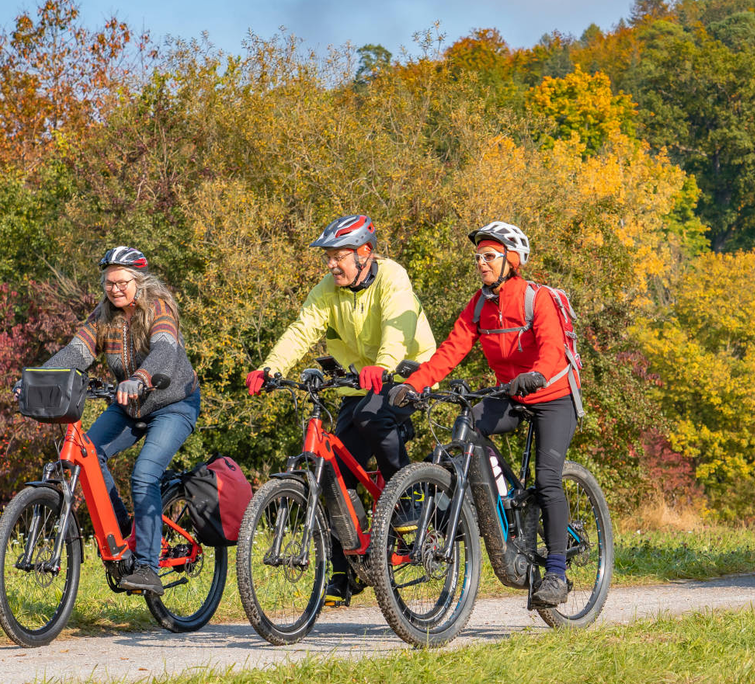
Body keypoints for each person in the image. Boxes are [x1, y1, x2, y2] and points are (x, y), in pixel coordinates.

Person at [245, 214, 436, 607]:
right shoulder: (327, 290)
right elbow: (302, 330)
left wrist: (383, 366)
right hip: (359, 380)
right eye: (328, 258)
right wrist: (270, 368)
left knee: (371, 417)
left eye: (339, 256)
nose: (332, 265)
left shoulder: (393, 279)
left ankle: (407, 504)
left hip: (407, 371)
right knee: (330, 470)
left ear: (365, 253)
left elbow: (398, 332)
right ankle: (343, 571)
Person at [390, 221, 579, 607]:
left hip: (553, 395)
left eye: (489, 256)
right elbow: (449, 351)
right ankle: (496, 505)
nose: (481, 263)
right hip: (511, 394)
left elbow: (553, 349)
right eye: (478, 257)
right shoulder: (479, 305)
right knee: (466, 428)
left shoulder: (534, 299)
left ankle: (557, 573)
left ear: (512, 260)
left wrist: (537, 375)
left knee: (546, 479)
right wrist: (416, 385)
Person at [39, 246, 201, 596]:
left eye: (122, 282)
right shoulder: (103, 315)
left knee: (144, 474)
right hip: (129, 406)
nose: (115, 289)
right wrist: (37, 377)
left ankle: (147, 567)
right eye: (109, 283)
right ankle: (127, 528)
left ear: (138, 282)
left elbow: (165, 349)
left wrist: (140, 378)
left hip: (174, 404)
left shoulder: (159, 307)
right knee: (88, 453)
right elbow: (76, 353)